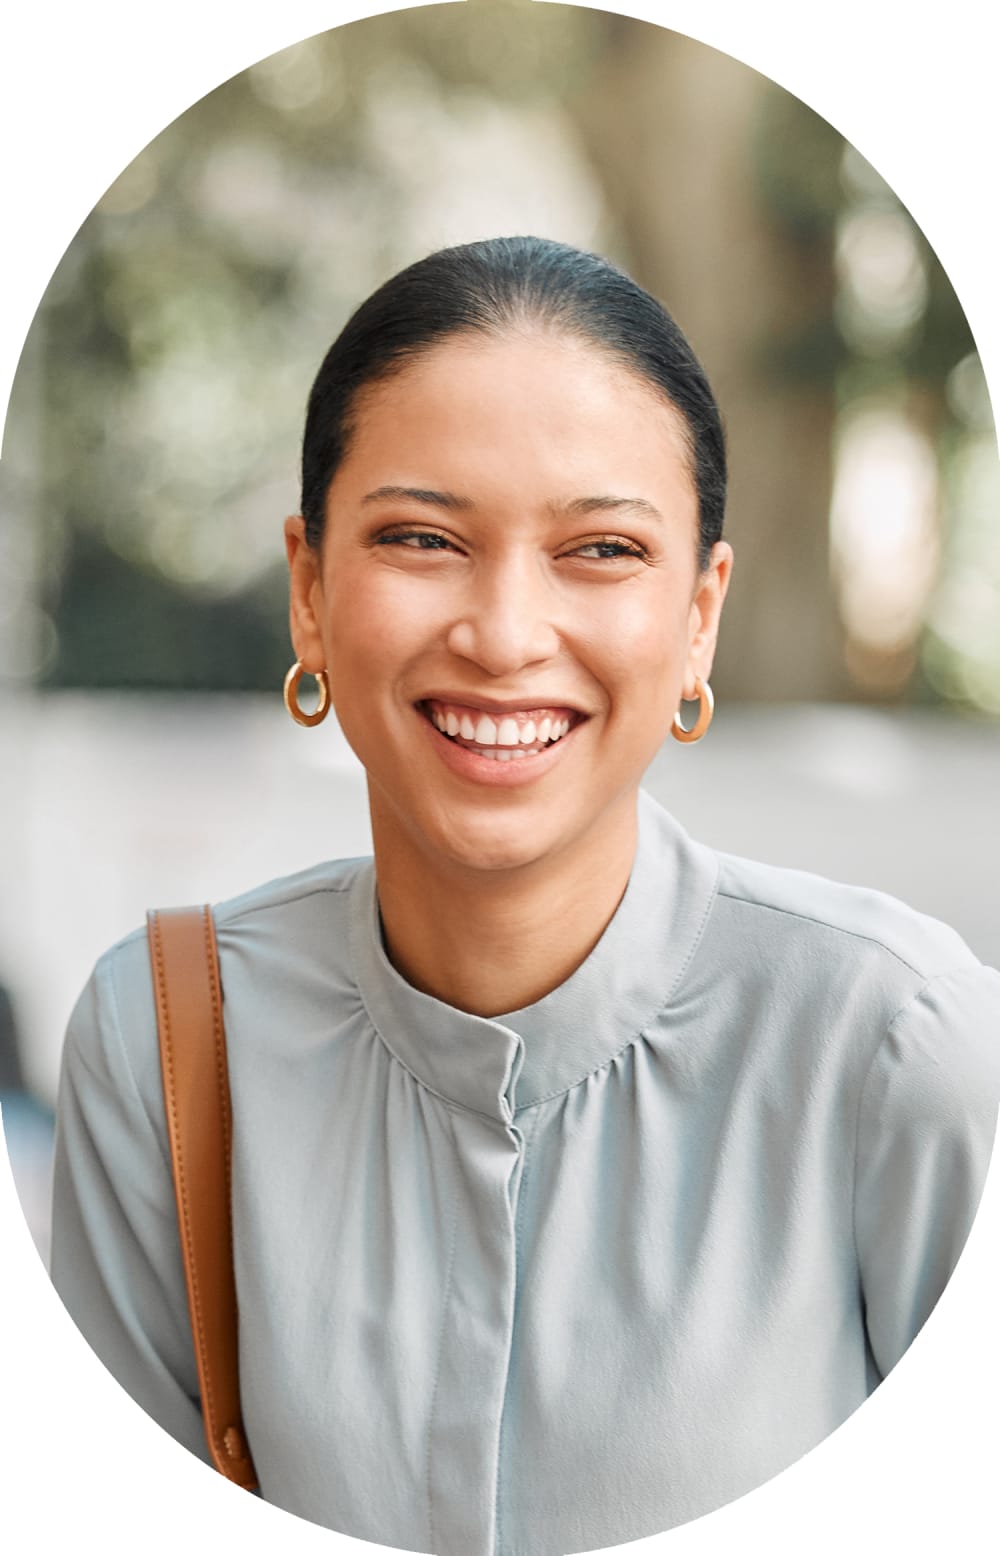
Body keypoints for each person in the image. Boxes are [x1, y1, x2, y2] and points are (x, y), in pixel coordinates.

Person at [50, 237, 1000, 1556]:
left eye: (602, 548)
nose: (503, 634)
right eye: (422, 537)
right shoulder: (163, 1041)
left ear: (699, 617)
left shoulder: (904, 1048)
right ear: (312, 590)